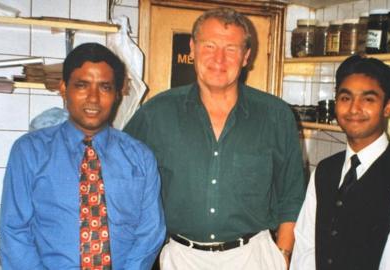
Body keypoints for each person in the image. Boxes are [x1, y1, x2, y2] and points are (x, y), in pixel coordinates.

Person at [124, 7, 305, 270]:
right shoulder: (156, 113)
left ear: (246, 57)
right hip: (181, 258)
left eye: (231, 49)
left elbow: (292, 194)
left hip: (253, 257)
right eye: (209, 46)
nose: (219, 58)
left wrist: (284, 254)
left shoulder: (275, 115)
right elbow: (124, 182)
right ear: (193, 48)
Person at [0, 43, 165, 269]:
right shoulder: (30, 152)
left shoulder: (140, 157)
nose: (93, 98)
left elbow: (150, 232)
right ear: (64, 88)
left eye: (105, 87)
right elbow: (14, 231)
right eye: (82, 85)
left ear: (117, 94)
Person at [290, 55, 390, 270]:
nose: (354, 109)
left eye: (368, 99)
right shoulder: (324, 171)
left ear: (387, 107)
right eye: (345, 98)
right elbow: (305, 249)